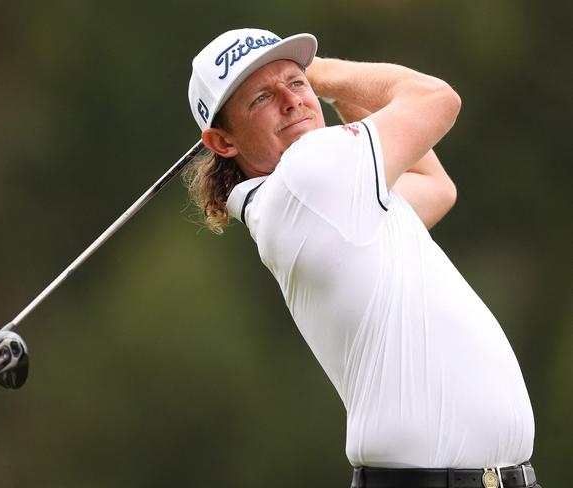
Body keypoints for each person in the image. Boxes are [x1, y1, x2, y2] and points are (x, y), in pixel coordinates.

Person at [184, 28, 540, 488]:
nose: (291, 101)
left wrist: (316, 92)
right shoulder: (308, 172)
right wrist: (320, 76)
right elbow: (437, 98)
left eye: (295, 84)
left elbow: (434, 186)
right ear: (222, 142)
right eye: (261, 98)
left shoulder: (323, 194)